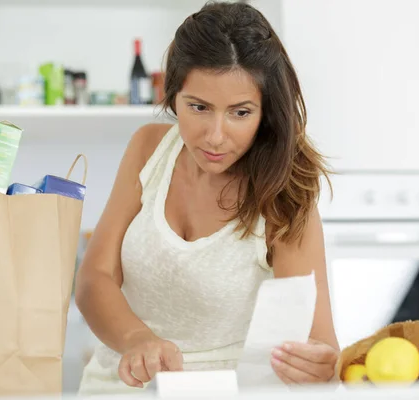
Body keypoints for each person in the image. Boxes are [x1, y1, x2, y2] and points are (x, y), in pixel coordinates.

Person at [75, 1, 340, 394]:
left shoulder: (285, 192)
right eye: (198, 107)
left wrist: (319, 364)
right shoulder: (149, 149)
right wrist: (135, 338)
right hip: (115, 389)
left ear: (266, 111)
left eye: (240, 112)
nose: (216, 136)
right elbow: (94, 278)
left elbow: (319, 343)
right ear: (172, 94)